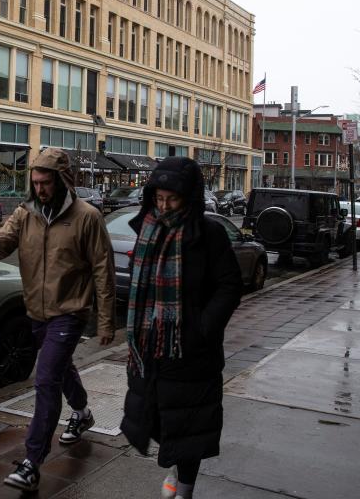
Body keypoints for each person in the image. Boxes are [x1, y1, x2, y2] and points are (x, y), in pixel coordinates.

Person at [0, 148, 115, 492]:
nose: (40, 189)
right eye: (36, 182)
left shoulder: (87, 217)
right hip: (37, 311)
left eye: (46, 182)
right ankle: (83, 413)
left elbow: (103, 269)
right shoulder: (25, 214)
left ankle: (32, 461)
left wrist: (105, 321)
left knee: (45, 378)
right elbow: (0, 242)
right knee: (60, 368)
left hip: (69, 312)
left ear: (62, 180)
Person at [119, 157, 244, 499]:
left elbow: (229, 286)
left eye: (171, 199)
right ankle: (178, 465)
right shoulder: (147, 229)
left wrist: (202, 328)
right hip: (151, 348)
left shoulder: (210, 234)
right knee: (157, 419)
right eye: (158, 199)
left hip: (191, 351)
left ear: (189, 198)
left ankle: (184, 487)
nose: (163, 206)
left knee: (189, 429)